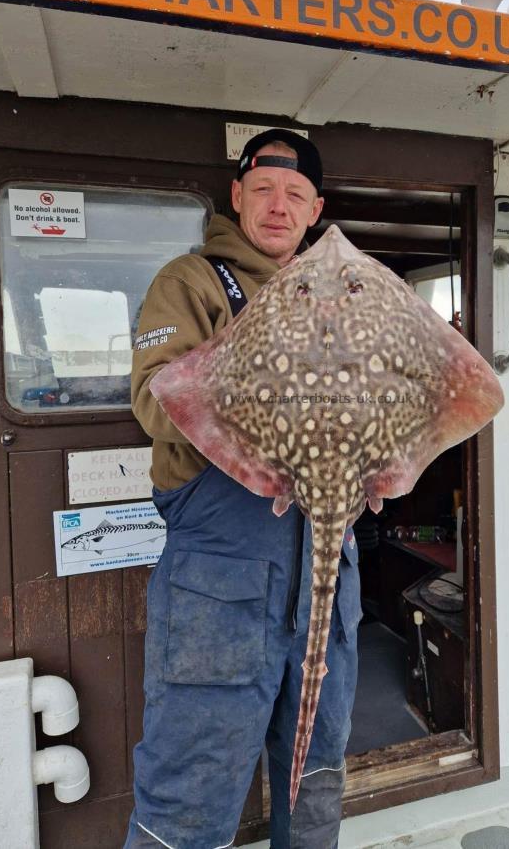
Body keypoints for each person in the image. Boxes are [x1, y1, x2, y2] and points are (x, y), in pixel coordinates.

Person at [125, 130, 363, 849]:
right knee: (189, 794)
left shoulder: (346, 299)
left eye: (295, 195)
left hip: (325, 572)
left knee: (316, 777)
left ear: (315, 209)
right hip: (222, 581)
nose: (278, 207)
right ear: (237, 196)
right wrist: (275, 396)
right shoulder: (192, 282)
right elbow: (155, 400)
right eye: (264, 190)